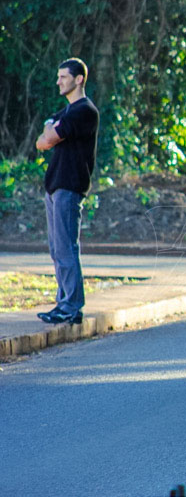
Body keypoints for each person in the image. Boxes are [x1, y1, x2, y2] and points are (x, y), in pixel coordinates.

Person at [34, 58, 100, 325]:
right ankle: (65, 304)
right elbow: (41, 144)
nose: (59, 81)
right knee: (56, 248)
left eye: (63, 77)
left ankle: (71, 306)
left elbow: (48, 137)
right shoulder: (67, 112)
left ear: (79, 79)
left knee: (66, 248)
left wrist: (50, 128)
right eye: (59, 76)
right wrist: (50, 129)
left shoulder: (84, 111)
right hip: (55, 187)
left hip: (69, 186)